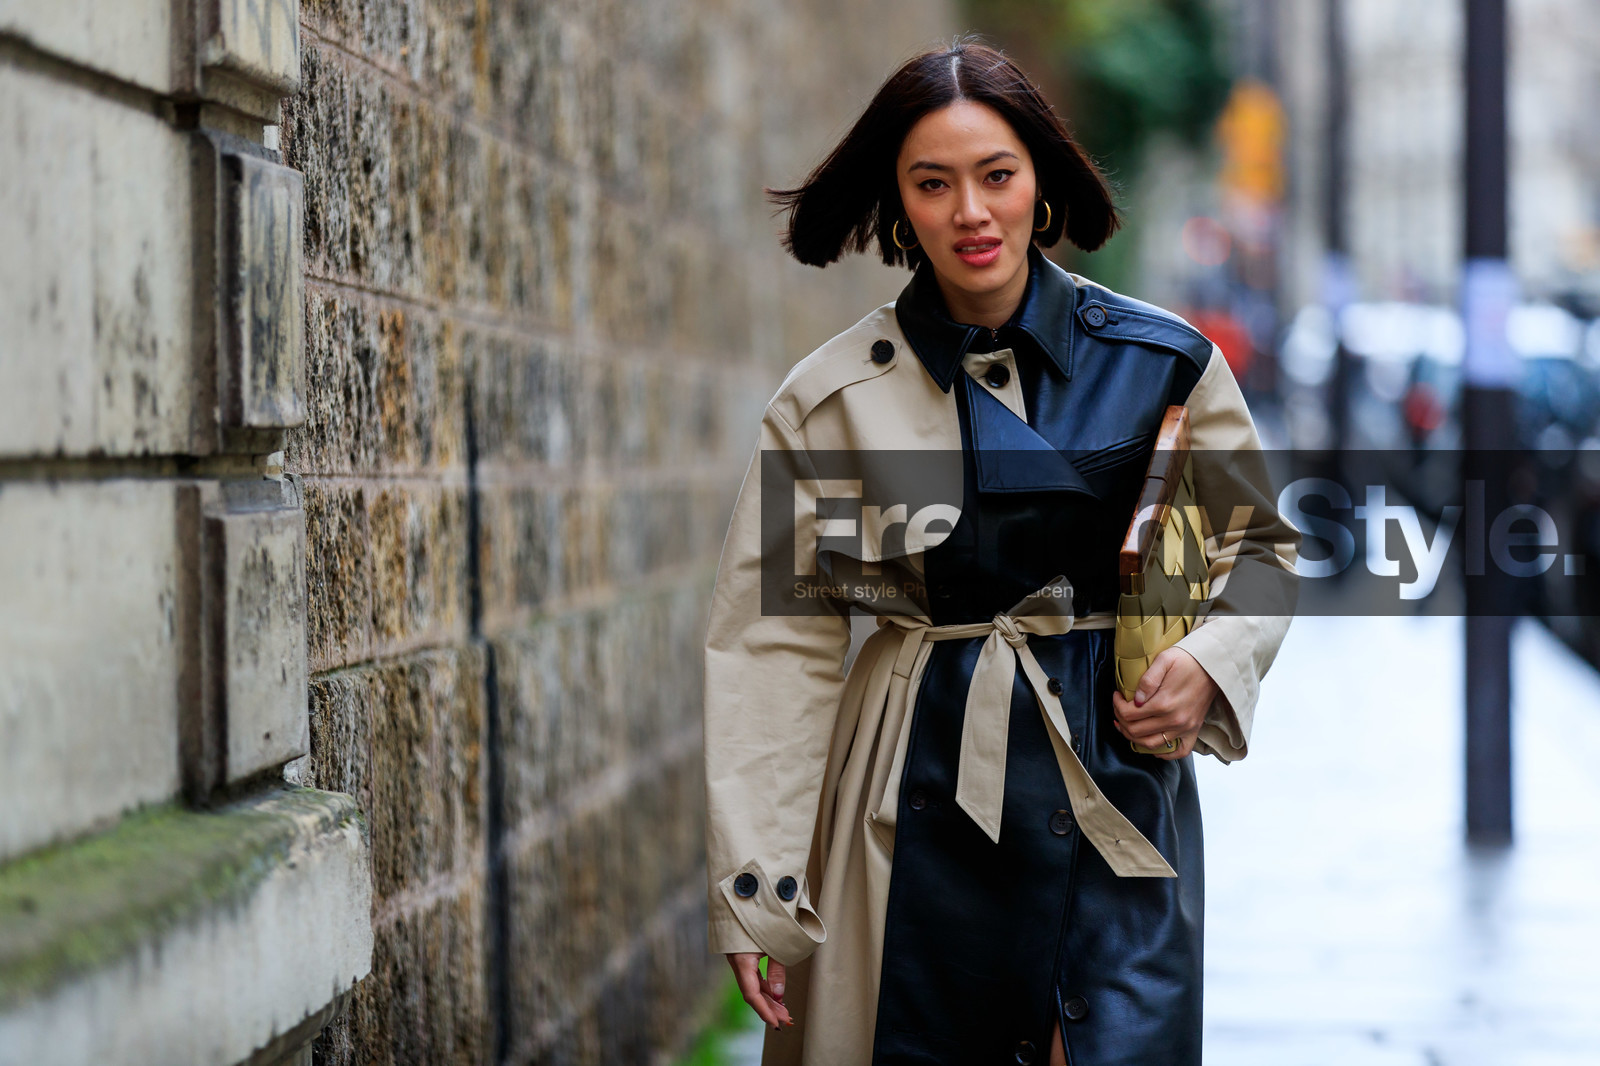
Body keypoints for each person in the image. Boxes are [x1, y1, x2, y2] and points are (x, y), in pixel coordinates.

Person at [701, 38, 1299, 1066]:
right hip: (908, 791)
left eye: (996, 176)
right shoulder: (831, 401)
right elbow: (774, 640)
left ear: (1041, 182)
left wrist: (1208, 663)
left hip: (1113, 790)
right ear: (897, 202)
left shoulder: (1163, 362)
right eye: (932, 184)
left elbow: (1261, 548)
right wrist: (759, 879)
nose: (970, 212)